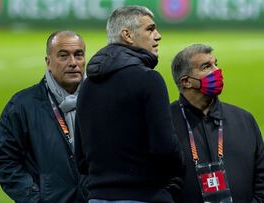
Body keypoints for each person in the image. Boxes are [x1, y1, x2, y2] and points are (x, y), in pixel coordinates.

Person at [74, 5, 185, 203]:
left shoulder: (87, 85)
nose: (158, 36)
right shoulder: (149, 79)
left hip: (97, 197)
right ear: (127, 35)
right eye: (150, 29)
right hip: (144, 195)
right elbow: (165, 147)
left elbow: (81, 158)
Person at [0, 30, 88, 203]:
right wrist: (35, 199)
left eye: (78, 55)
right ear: (48, 62)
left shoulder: (102, 100)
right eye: (63, 56)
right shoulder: (22, 105)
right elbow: (5, 162)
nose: (73, 62)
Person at [170, 44, 264, 203]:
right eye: (206, 67)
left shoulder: (244, 119)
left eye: (215, 63)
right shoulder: (166, 122)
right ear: (186, 81)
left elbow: (263, 182)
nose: (217, 70)